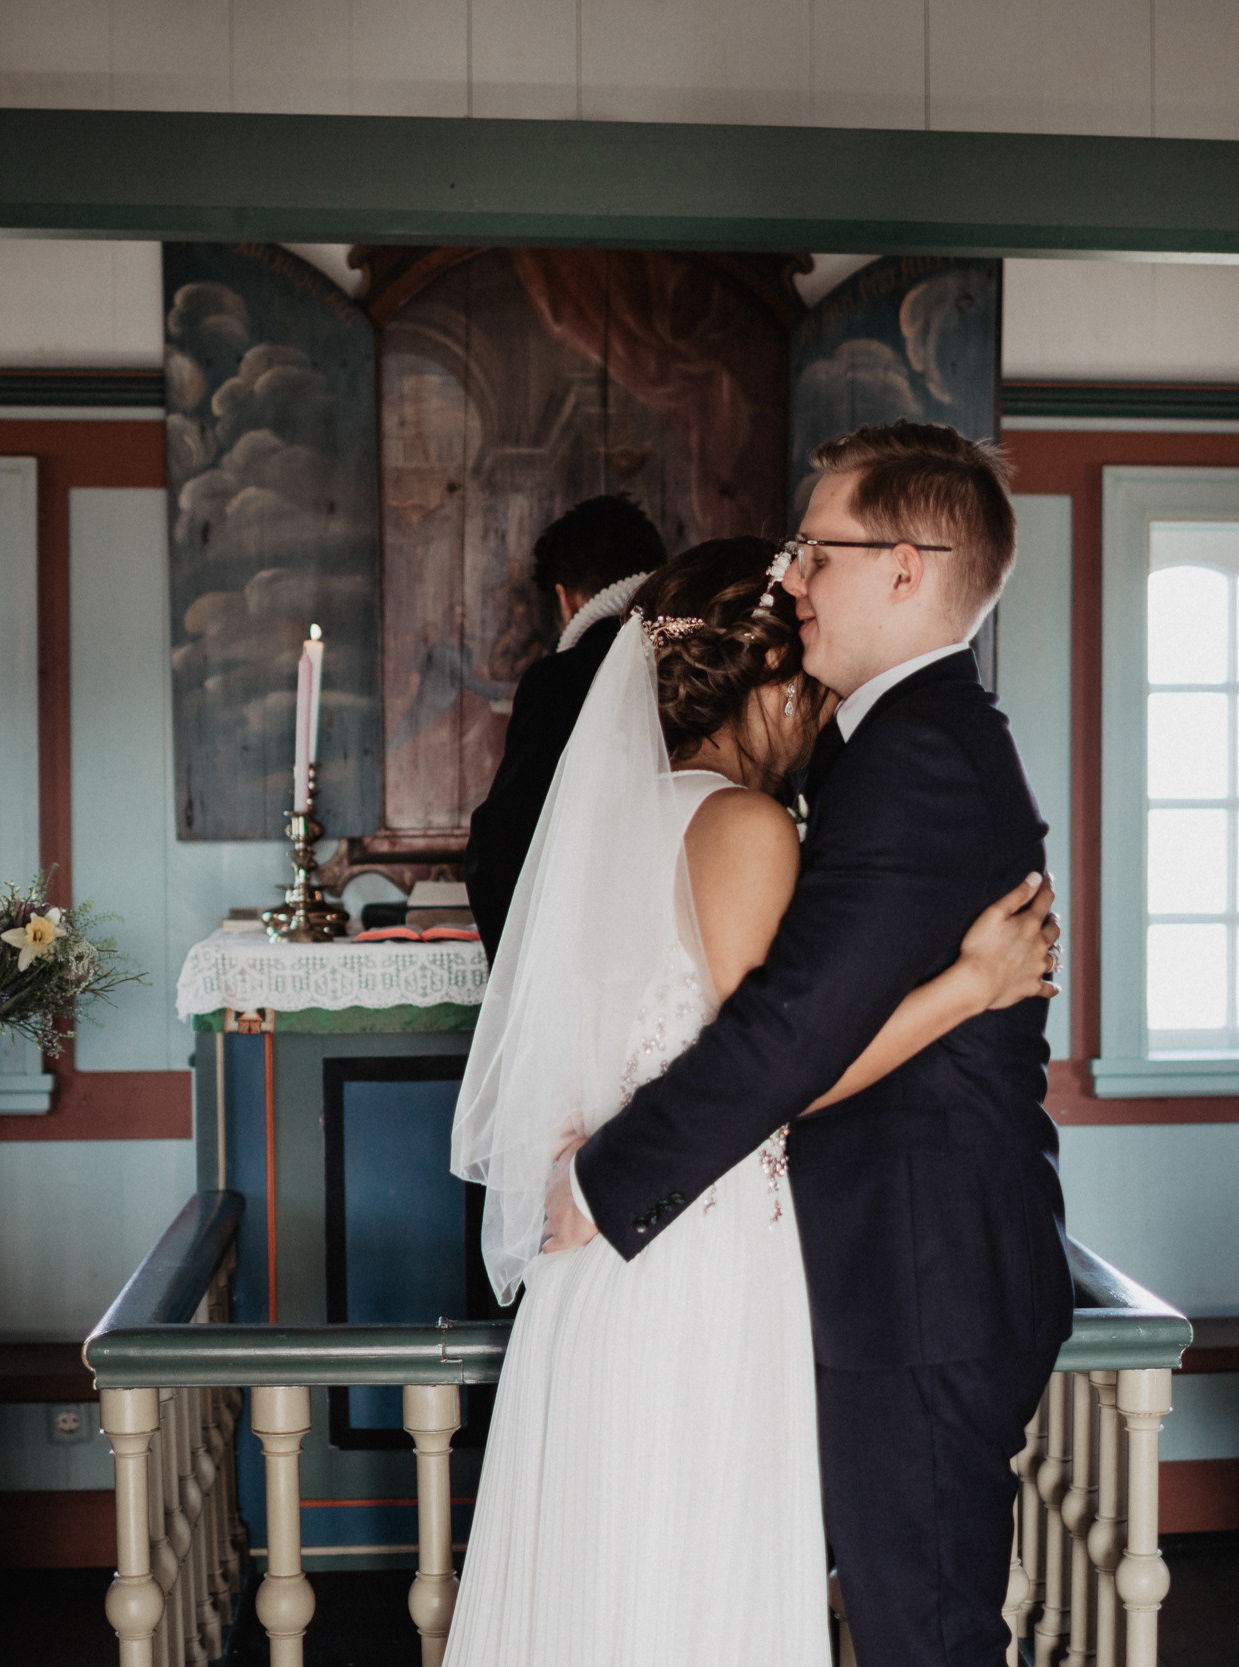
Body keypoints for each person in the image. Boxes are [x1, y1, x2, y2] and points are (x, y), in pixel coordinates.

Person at [445, 534, 1058, 1667]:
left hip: (605, 1266)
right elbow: (787, 1065)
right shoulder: (743, 824)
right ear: (772, 685)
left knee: (608, 1582)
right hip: (699, 1262)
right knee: (693, 1581)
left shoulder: (614, 825)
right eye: (815, 697)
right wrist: (973, 984)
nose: (822, 723)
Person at [465, 494, 671, 957]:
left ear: (564, 596)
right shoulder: (711, 660)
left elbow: (504, 842)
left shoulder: (559, 679)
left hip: (593, 951)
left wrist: (526, 977)